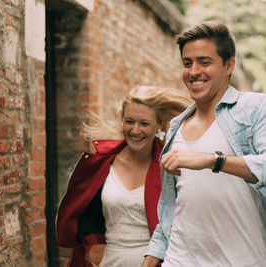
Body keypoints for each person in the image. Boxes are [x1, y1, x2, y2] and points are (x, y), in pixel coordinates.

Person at [142, 21, 266, 267]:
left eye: (205, 62)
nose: (193, 71)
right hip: (179, 261)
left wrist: (213, 160)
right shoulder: (176, 127)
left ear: (229, 65)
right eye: (187, 63)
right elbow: (172, 208)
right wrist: (151, 258)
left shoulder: (256, 109)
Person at [56, 85, 192, 267]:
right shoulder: (99, 163)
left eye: (144, 123)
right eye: (129, 121)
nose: (135, 131)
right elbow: (84, 212)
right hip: (108, 261)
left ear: (159, 125)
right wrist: (92, 242)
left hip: (157, 262)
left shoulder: (170, 167)